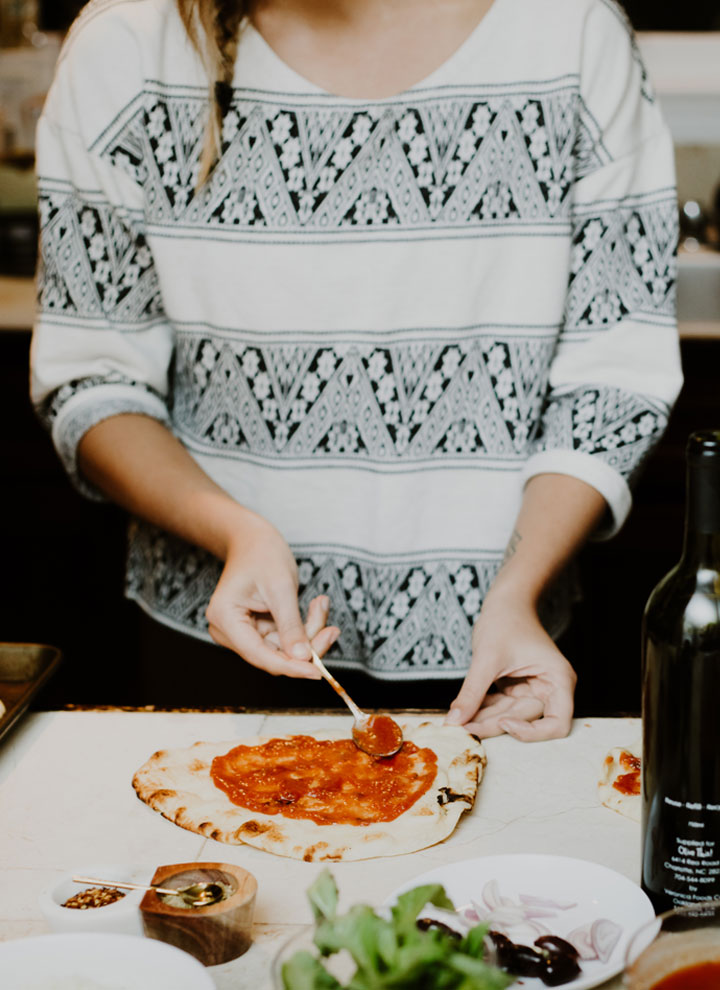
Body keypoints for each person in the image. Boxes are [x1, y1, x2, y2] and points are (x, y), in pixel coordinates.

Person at [30, 0, 682, 739]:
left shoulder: (570, 31)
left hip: (497, 654)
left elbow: (614, 374)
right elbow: (93, 378)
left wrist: (517, 592)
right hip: (215, 645)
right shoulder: (127, 43)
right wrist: (235, 533)